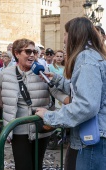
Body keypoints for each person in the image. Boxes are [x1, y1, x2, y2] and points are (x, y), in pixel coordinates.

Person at [35, 17, 106, 170]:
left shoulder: (86, 58)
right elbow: (87, 89)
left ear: (74, 35)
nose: (64, 38)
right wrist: (58, 80)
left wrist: (50, 116)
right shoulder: (93, 56)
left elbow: (87, 105)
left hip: (93, 140)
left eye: (66, 33)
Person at [0, 38, 55, 170]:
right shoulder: (7, 73)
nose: (32, 55)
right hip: (18, 129)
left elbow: (57, 92)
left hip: (40, 128)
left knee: (37, 165)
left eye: (34, 52)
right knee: (23, 166)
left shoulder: (42, 72)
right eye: (28, 51)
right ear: (16, 53)